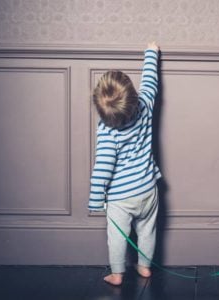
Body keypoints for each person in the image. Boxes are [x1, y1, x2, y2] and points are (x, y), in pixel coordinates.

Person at [88, 42, 161, 286]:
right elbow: (150, 82)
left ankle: (117, 274)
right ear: (132, 93)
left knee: (117, 237)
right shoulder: (145, 106)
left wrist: (96, 200)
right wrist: (151, 53)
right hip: (148, 189)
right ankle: (145, 267)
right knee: (147, 231)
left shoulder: (107, 131)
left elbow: (103, 170)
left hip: (121, 198)